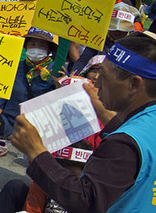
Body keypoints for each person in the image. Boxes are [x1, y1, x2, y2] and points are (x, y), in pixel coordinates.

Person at [11, 32, 156, 213]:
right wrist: (102, 111)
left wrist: (37, 152)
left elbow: (86, 202)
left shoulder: (122, 144)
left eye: (103, 76)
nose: (96, 83)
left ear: (134, 85)